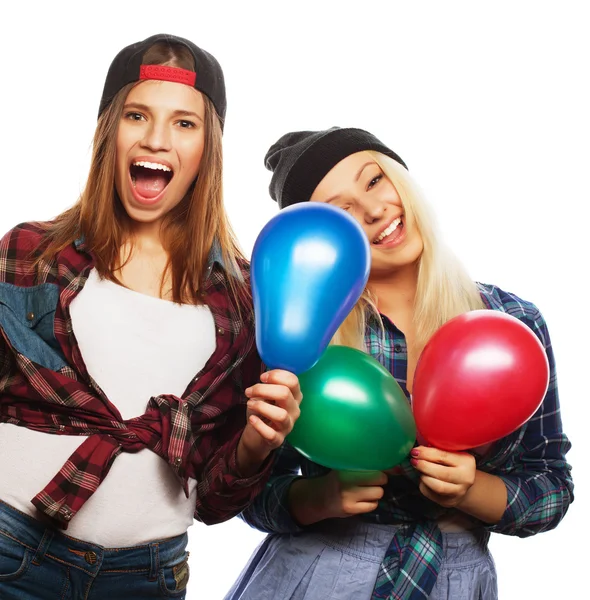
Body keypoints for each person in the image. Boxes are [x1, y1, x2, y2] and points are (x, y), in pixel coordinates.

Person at [0, 34, 301, 599]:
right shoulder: (30, 254)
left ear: (207, 149)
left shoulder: (242, 302)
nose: (158, 139)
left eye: (184, 124)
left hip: (148, 577)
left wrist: (260, 444)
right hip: (9, 553)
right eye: (138, 115)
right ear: (110, 131)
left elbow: (213, 500)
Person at [226, 127, 573, 600]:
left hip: (456, 578)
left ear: (400, 179)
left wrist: (471, 490)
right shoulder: (306, 337)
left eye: (373, 181)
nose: (372, 211)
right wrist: (319, 500)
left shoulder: (512, 323)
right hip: (321, 575)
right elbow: (246, 488)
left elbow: (550, 485)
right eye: (339, 212)